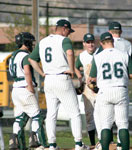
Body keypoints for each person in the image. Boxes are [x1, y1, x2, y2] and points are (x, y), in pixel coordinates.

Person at [28, 19, 89, 150]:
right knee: (75, 113)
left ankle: (52, 145)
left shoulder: (43, 41)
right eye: (68, 31)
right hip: (62, 78)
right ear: (64, 29)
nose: (69, 34)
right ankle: (79, 144)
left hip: (49, 80)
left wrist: (42, 73)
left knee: (51, 114)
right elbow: (70, 53)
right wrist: (72, 69)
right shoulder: (63, 40)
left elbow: (31, 59)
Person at [88, 32, 132, 150]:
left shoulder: (97, 57)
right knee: (123, 124)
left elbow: (92, 78)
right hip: (121, 90)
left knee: (105, 124)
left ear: (101, 43)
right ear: (112, 42)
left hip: (105, 91)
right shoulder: (124, 54)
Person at [9, 32, 47, 150]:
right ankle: (37, 141)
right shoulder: (25, 55)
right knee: (37, 116)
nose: (32, 45)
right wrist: (30, 85)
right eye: (30, 42)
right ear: (26, 43)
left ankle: (15, 141)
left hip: (15, 89)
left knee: (20, 117)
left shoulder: (13, 56)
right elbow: (26, 71)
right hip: (25, 87)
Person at [75, 33, 98, 147]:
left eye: (92, 42)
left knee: (103, 115)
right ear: (84, 44)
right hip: (88, 89)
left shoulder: (100, 53)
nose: (90, 44)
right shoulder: (82, 56)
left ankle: (106, 141)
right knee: (89, 116)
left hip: (100, 88)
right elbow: (75, 67)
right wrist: (80, 79)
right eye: (88, 42)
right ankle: (93, 144)